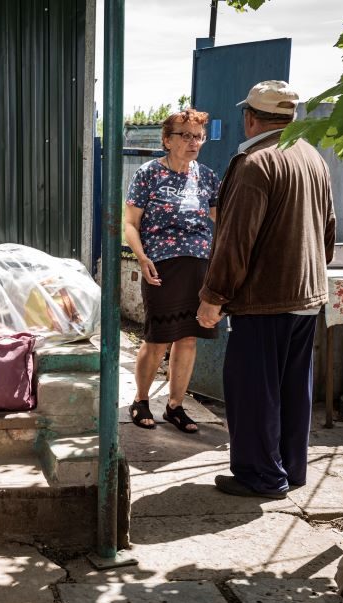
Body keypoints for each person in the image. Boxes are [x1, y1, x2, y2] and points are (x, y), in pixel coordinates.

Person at [196, 80, 336, 498]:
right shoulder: (313, 158)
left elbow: (235, 238)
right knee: (294, 388)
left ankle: (260, 475)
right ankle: (290, 469)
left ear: (251, 117)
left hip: (264, 300)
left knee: (254, 391)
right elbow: (328, 233)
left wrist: (213, 297)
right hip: (307, 296)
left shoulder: (255, 162)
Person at [123, 109, 220, 434]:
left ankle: (176, 406)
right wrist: (141, 257)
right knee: (158, 339)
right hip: (162, 267)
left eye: (198, 137)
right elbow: (130, 224)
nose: (194, 142)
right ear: (167, 140)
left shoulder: (206, 177)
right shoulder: (148, 174)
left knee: (189, 338)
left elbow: (223, 222)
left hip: (199, 267)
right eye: (186, 136)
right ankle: (141, 400)